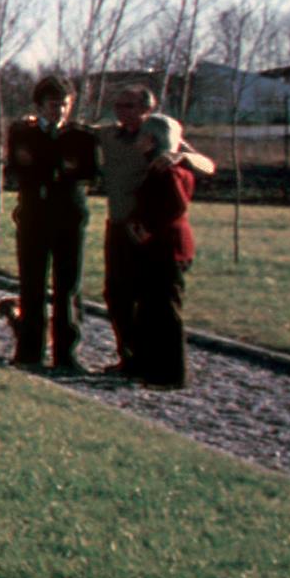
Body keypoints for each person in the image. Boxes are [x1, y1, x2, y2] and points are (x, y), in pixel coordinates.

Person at [96, 83, 212, 385]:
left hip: (153, 236)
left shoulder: (164, 142)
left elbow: (205, 166)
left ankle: (166, 372)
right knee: (119, 295)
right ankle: (132, 359)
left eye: (129, 106)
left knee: (159, 303)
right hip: (122, 227)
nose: (122, 112)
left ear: (146, 111)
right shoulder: (111, 135)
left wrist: (179, 157)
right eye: (118, 106)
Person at [0, 75, 101, 370]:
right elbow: (18, 167)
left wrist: (57, 170)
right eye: (54, 105)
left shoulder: (81, 136)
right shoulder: (23, 133)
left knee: (67, 286)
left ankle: (66, 354)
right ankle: (29, 352)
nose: (59, 111)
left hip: (69, 217)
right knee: (32, 284)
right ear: (40, 106)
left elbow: (90, 173)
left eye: (65, 105)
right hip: (34, 215)